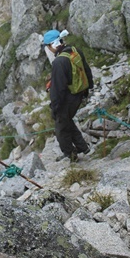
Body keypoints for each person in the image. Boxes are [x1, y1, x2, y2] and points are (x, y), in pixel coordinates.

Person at [43, 29, 93, 162]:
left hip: (68, 98)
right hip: (79, 93)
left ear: (52, 45)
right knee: (66, 120)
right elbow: (86, 69)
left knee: (60, 128)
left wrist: (55, 107)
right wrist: (88, 88)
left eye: (48, 46)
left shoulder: (58, 62)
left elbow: (58, 90)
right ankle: (83, 147)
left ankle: (70, 155)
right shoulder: (74, 51)